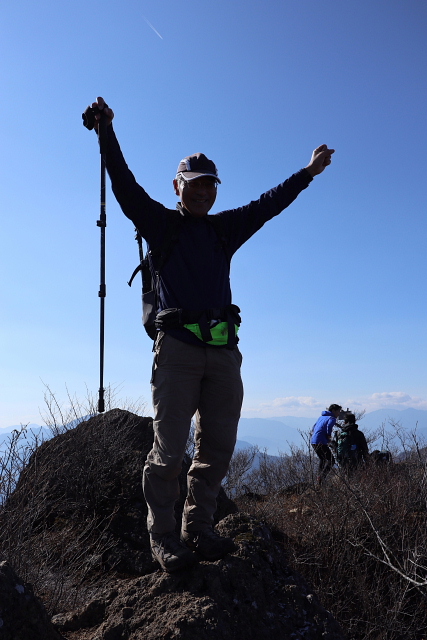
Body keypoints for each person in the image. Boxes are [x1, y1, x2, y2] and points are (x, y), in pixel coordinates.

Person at [88, 97, 335, 572]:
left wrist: (308, 173)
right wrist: (106, 132)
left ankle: (197, 528)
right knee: (169, 451)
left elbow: (268, 204)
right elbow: (123, 185)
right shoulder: (162, 225)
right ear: (178, 187)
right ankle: (163, 539)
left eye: (209, 186)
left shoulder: (224, 229)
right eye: (194, 185)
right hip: (178, 351)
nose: (202, 192)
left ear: (215, 191)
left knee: (217, 447)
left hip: (224, 353)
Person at [311, 404, 342, 484]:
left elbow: (313, 427)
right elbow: (329, 425)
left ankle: (319, 477)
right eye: (338, 411)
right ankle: (322, 477)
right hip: (321, 441)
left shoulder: (321, 417)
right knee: (331, 460)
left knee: (323, 459)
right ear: (334, 411)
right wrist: (328, 436)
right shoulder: (332, 418)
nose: (339, 413)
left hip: (314, 441)